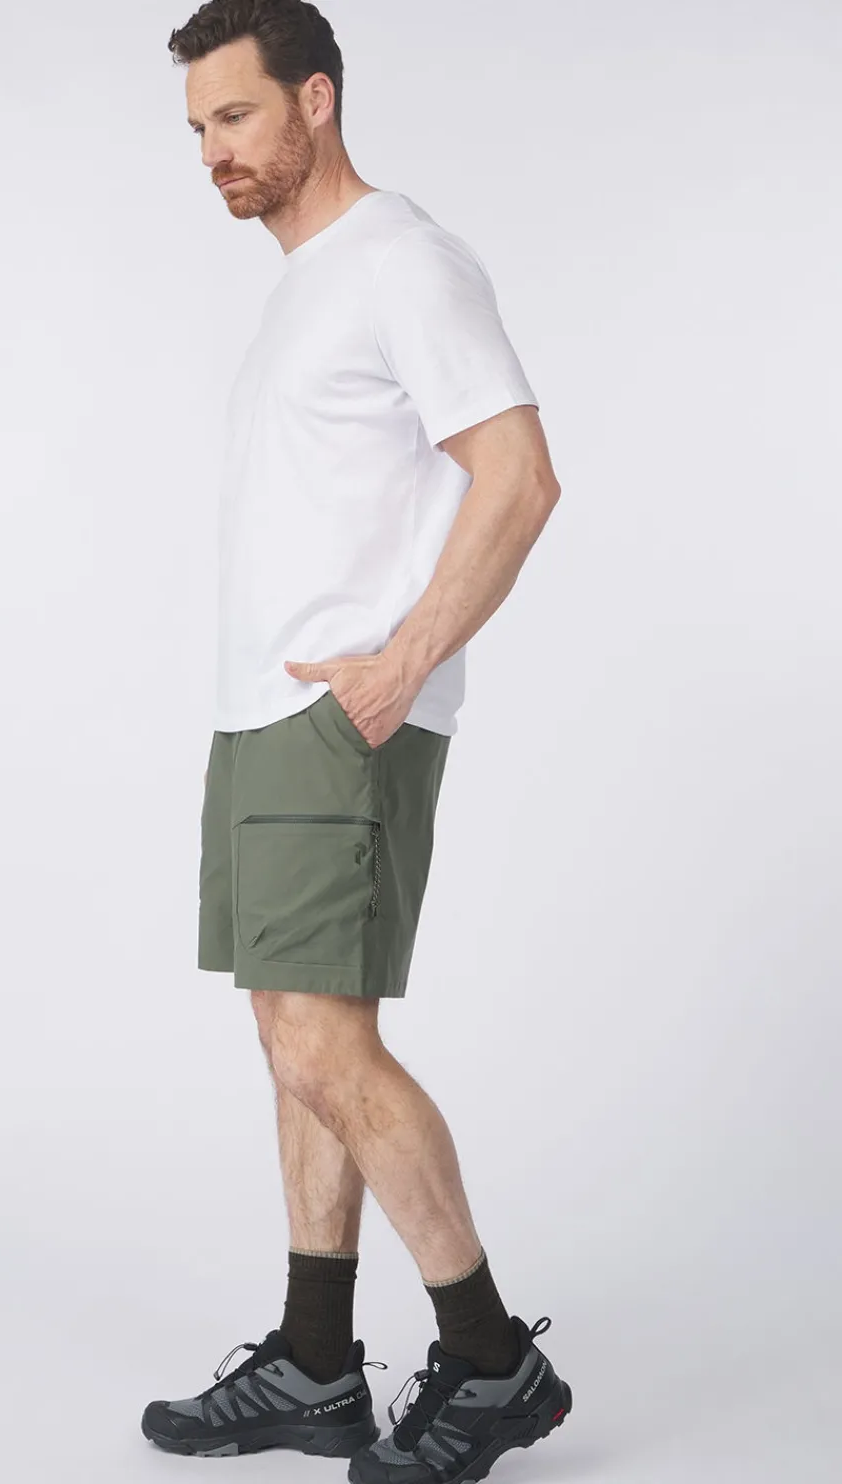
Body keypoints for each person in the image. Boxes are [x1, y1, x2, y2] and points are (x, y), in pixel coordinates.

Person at [141, 4, 571, 1480]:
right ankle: (318, 1363)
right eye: (198, 128)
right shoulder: (309, 284)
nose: (213, 151)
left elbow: (519, 474)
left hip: (339, 727)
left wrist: (401, 667)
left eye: (237, 116)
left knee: (322, 1043)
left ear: (316, 101)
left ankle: (492, 1360)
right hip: (266, 720)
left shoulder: (402, 260)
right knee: (298, 1043)